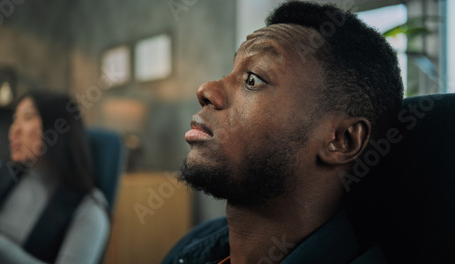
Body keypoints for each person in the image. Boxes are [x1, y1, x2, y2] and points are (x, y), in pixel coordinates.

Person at [162, 1, 403, 264]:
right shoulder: (195, 244)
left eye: (253, 79)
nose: (206, 90)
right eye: (232, 71)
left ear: (341, 140)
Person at [0, 91, 110, 263]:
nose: (14, 130)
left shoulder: (88, 209)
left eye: (27, 117)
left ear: (58, 127)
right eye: (15, 120)